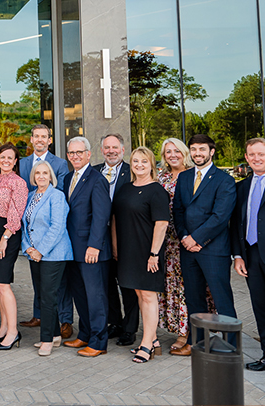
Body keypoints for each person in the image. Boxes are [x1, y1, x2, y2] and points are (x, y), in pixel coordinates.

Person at [170, 134, 237, 356]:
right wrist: (185, 237)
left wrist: (196, 239)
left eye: (202, 149)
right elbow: (177, 211)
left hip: (213, 249)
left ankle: (231, 347)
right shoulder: (185, 177)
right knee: (194, 298)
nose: (197, 153)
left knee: (222, 298)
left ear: (212, 152)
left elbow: (220, 216)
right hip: (188, 249)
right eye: (194, 149)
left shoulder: (224, 180)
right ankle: (198, 344)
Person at [112, 147, 170, 364]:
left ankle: (146, 344)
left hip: (148, 252)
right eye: (135, 161)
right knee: (139, 295)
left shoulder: (157, 191)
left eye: (144, 162)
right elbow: (116, 218)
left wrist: (154, 253)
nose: (139, 165)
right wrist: (116, 246)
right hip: (128, 251)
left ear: (151, 165)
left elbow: (162, 224)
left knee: (148, 296)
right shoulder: (125, 189)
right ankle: (152, 339)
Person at [232, 138, 265, 373]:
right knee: (261, 309)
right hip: (251, 256)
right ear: (246, 157)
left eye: (261, 154)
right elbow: (236, 225)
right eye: (252, 154)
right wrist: (238, 256)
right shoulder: (241, 187)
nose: (256, 158)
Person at [18, 124, 72, 336]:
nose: (40, 140)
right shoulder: (22, 164)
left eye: (44, 136)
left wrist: (40, 247)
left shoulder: (59, 163)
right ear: (31, 139)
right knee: (39, 282)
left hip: (52, 237)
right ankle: (39, 315)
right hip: (31, 228)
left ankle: (65, 319)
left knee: (59, 285)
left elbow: (59, 195)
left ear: (50, 140)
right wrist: (29, 246)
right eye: (36, 136)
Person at [62, 136, 112, 358]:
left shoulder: (97, 179)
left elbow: (101, 217)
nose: (75, 156)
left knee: (95, 297)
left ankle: (99, 342)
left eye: (79, 152)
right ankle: (84, 334)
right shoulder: (66, 179)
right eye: (71, 153)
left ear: (89, 154)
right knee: (79, 295)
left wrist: (94, 246)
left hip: (91, 250)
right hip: (71, 249)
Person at [22, 160, 72, 357]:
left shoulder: (57, 196)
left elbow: (57, 227)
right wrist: (28, 248)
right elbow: (25, 225)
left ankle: (46, 340)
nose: (41, 176)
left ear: (51, 176)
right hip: (34, 254)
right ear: (33, 176)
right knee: (42, 295)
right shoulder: (30, 196)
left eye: (45, 173)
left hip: (54, 254)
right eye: (37, 173)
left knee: (49, 296)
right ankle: (56, 334)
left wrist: (40, 250)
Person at [0, 143, 27, 350]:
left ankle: (13, 331)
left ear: (16, 161)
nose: (6, 161)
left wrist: (5, 238)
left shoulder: (18, 183)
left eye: (10, 158)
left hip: (6, 233)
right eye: (3, 157)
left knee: (3, 283)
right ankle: (3, 327)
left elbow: (16, 213)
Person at [96, 133, 138, 348]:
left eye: (115, 147)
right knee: (107, 284)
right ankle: (115, 322)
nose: (111, 151)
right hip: (99, 237)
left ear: (122, 149)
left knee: (128, 285)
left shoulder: (133, 171)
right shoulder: (94, 172)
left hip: (127, 237)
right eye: (106, 147)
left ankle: (130, 328)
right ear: (101, 150)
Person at [156, 138, 196, 351]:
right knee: (172, 287)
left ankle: (187, 334)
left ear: (184, 153)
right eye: (168, 151)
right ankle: (178, 328)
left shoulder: (193, 174)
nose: (172, 155)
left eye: (176, 151)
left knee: (187, 287)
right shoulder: (160, 176)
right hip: (166, 242)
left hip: (188, 239)